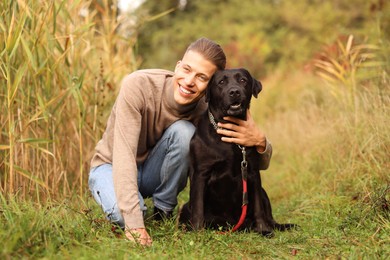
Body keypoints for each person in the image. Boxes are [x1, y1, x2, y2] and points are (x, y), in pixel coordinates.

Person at [88, 37, 272, 246]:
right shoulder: (137, 86)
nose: (189, 81)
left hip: (151, 173)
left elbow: (256, 163)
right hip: (111, 167)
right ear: (177, 66)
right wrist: (135, 224)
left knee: (185, 132)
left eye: (201, 77)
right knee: (124, 216)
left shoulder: (210, 111)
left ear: (209, 88)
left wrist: (260, 142)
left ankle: (163, 212)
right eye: (186, 69)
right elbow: (123, 156)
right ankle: (136, 211)